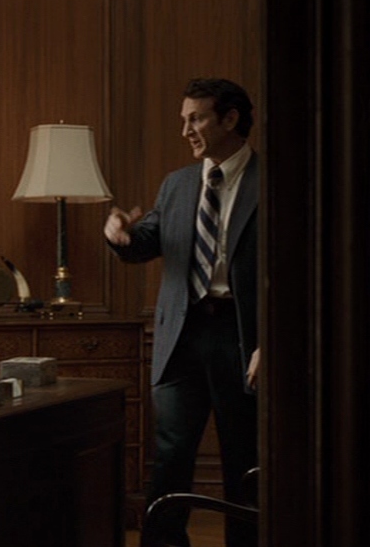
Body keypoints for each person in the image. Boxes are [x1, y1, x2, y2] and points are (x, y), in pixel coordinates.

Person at [104, 78, 259, 547]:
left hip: (242, 336)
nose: (186, 130)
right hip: (180, 337)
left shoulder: (275, 183)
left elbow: (298, 274)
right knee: (170, 456)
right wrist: (121, 236)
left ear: (229, 119)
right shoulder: (178, 184)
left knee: (245, 459)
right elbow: (148, 240)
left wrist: (272, 342)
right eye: (183, 120)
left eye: (196, 119)